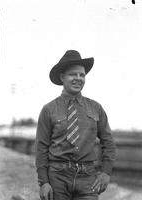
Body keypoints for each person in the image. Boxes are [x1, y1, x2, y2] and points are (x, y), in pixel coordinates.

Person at [35, 50, 116, 200]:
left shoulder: (95, 108)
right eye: (73, 74)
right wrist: (44, 182)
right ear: (62, 77)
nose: (78, 78)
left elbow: (108, 142)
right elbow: (41, 148)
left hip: (88, 178)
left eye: (82, 75)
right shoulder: (49, 109)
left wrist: (106, 172)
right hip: (57, 177)